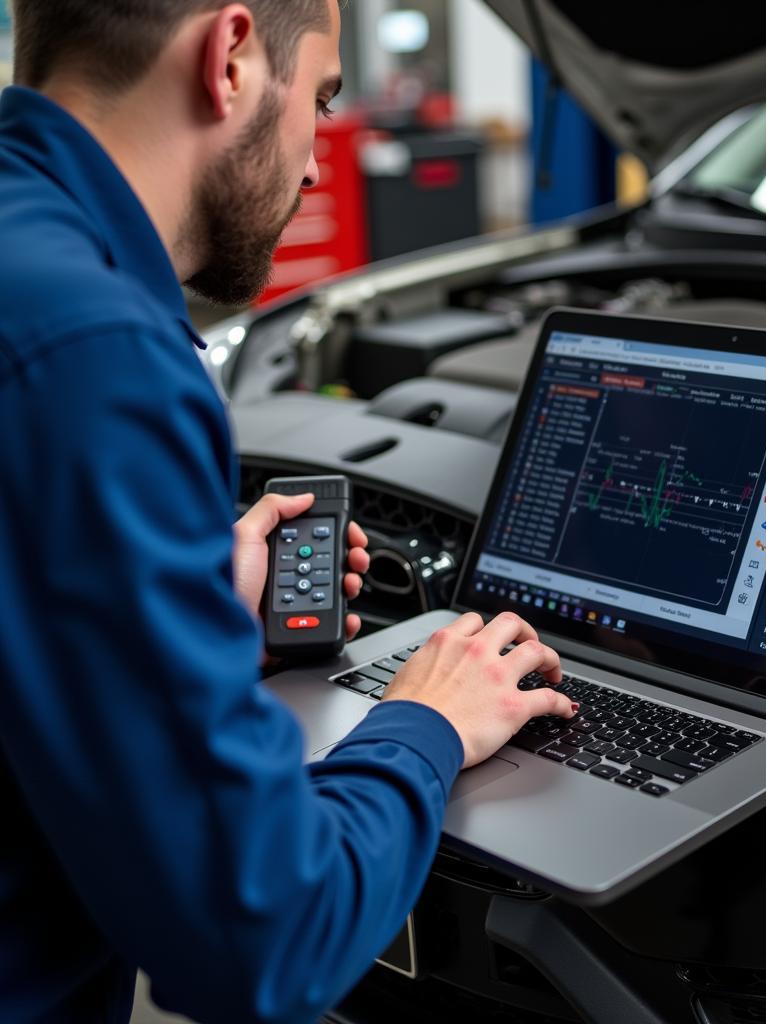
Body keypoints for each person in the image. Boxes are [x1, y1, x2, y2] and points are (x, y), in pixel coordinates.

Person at [0, 2, 575, 1022]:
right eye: (319, 97)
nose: (315, 164)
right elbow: (258, 941)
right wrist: (422, 721)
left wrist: (175, 606)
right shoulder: (100, 357)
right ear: (229, 58)